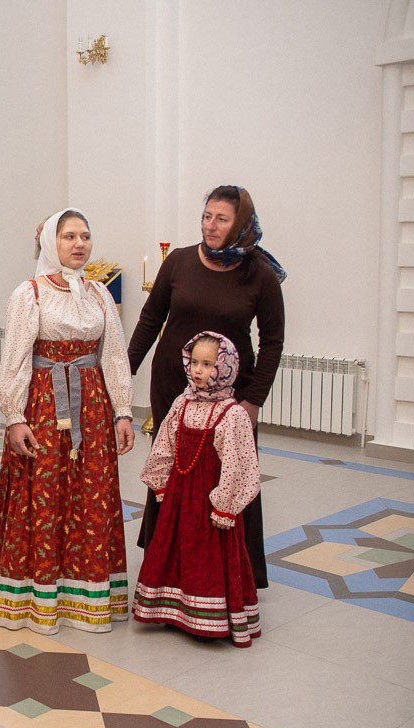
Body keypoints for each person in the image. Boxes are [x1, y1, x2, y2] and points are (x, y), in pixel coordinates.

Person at [128, 185, 285, 588]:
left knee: (229, 472)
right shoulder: (179, 262)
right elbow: (150, 320)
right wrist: (123, 372)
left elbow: (272, 341)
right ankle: (166, 562)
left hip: (232, 399)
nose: (210, 226)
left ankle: (236, 569)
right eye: (206, 216)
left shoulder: (260, 274)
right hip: (174, 389)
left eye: (222, 219)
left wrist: (254, 401)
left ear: (241, 224)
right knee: (174, 471)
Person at [0, 208, 135, 635]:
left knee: (91, 493)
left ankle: (87, 596)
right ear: (50, 243)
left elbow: (115, 355)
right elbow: (15, 358)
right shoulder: (30, 294)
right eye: (69, 236)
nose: (79, 244)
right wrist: (14, 416)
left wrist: (123, 410)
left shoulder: (99, 294)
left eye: (85, 236)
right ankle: (38, 599)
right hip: (42, 404)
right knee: (44, 492)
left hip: (91, 407)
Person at [133, 332, 261, 647]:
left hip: (209, 500)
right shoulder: (183, 402)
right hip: (180, 495)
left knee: (207, 555)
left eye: (207, 364)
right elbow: (165, 441)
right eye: (194, 363)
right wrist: (161, 481)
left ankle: (208, 616)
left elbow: (239, 463)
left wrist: (225, 505)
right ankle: (176, 611)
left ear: (225, 367)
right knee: (177, 548)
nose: (198, 370)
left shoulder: (232, 414)